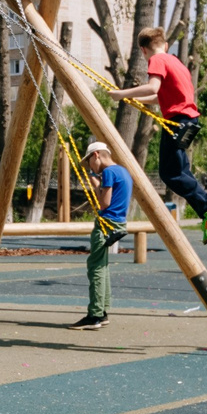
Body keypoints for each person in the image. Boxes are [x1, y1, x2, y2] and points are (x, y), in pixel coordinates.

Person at [105, 27, 207, 230]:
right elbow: (160, 97)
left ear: (143, 49)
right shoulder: (176, 62)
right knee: (180, 170)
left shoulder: (157, 60)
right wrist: (134, 99)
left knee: (169, 174)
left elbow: (153, 88)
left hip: (177, 122)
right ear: (165, 44)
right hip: (190, 120)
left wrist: (122, 94)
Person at [72, 139, 130, 332]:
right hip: (118, 222)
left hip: (106, 224)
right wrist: (97, 184)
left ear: (96, 155)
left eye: (89, 162)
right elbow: (112, 198)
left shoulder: (108, 172)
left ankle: (95, 315)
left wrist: (98, 186)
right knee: (103, 266)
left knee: (95, 267)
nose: (91, 168)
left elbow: (104, 203)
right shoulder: (122, 170)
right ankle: (103, 311)